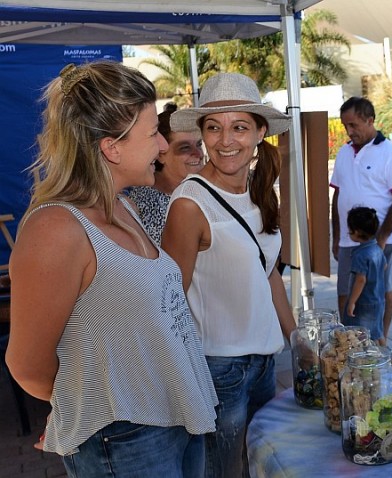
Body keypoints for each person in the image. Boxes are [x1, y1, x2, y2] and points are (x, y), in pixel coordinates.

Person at [5, 60, 217, 477]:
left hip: (177, 418)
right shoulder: (56, 229)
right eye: (153, 131)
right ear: (111, 147)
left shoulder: (125, 206)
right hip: (125, 438)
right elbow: (27, 365)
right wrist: (88, 405)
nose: (161, 145)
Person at [162, 72, 296, 478]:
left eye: (239, 127)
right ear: (202, 134)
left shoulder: (259, 189)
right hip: (219, 370)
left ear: (259, 133)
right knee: (225, 472)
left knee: (260, 463)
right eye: (214, 128)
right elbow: (170, 300)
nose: (226, 140)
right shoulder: (190, 204)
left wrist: (298, 343)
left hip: (264, 363)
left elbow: (268, 272)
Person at [330, 97, 392, 339]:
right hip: (350, 240)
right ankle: (350, 342)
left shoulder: (390, 153)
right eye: (345, 125)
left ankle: (381, 340)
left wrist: (381, 240)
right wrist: (337, 236)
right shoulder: (343, 152)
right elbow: (337, 195)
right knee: (344, 293)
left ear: (370, 121)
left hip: (379, 241)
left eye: (354, 125)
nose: (349, 131)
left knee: (380, 291)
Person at [127, 102, 204, 244]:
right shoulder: (146, 205)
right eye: (185, 148)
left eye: (199, 144)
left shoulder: (200, 191)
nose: (198, 153)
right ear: (161, 154)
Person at [344, 206, 387, 344]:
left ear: (356, 232)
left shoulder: (360, 254)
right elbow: (384, 266)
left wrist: (351, 302)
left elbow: (360, 280)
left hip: (364, 303)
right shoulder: (377, 249)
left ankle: (368, 359)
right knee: (377, 332)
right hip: (378, 299)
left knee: (360, 336)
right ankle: (385, 354)